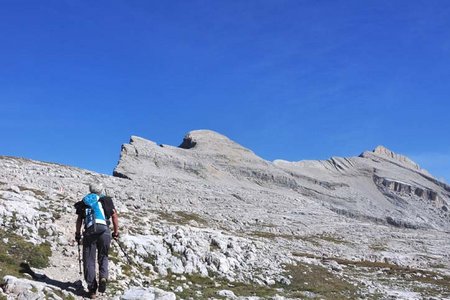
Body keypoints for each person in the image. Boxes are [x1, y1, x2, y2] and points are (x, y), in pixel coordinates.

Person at [74, 182, 119, 299]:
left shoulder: (84, 202)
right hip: (104, 230)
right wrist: (116, 232)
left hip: (90, 231)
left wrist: (77, 234)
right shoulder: (105, 200)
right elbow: (114, 216)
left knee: (89, 259)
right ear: (101, 190)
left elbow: (79, 220)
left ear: (90, 190)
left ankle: (92, 290)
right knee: (103, 255)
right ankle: (103, 277)